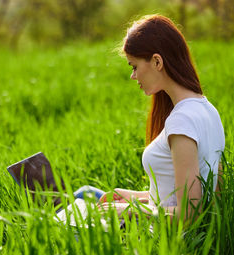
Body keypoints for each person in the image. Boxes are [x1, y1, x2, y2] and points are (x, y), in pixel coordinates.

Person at [74, 14, 225, 220]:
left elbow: (189, 211)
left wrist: (130, 210)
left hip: (162, 236)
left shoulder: (182, 121)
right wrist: (132, 197)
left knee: (69, 209)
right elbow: (184, 195)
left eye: (134, 66)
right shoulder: (208, 109)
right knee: (85, 194)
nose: (133, 76)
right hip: (157, 217)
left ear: (156, 61)